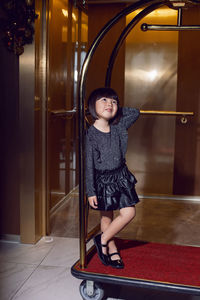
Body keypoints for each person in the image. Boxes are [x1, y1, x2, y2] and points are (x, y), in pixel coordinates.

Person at [85, 87, 140, 269]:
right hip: (103, 180)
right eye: (104, 100)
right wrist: (91, 191)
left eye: (114, 101)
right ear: (92, 106)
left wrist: (113, 109)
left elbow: (135, 112)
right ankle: (111, 247)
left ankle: (103, 238)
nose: (110, 104)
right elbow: (89, 166)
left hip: (120, 176)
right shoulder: (91, 135)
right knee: (106, 216)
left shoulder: (118, 127)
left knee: (128, 213)